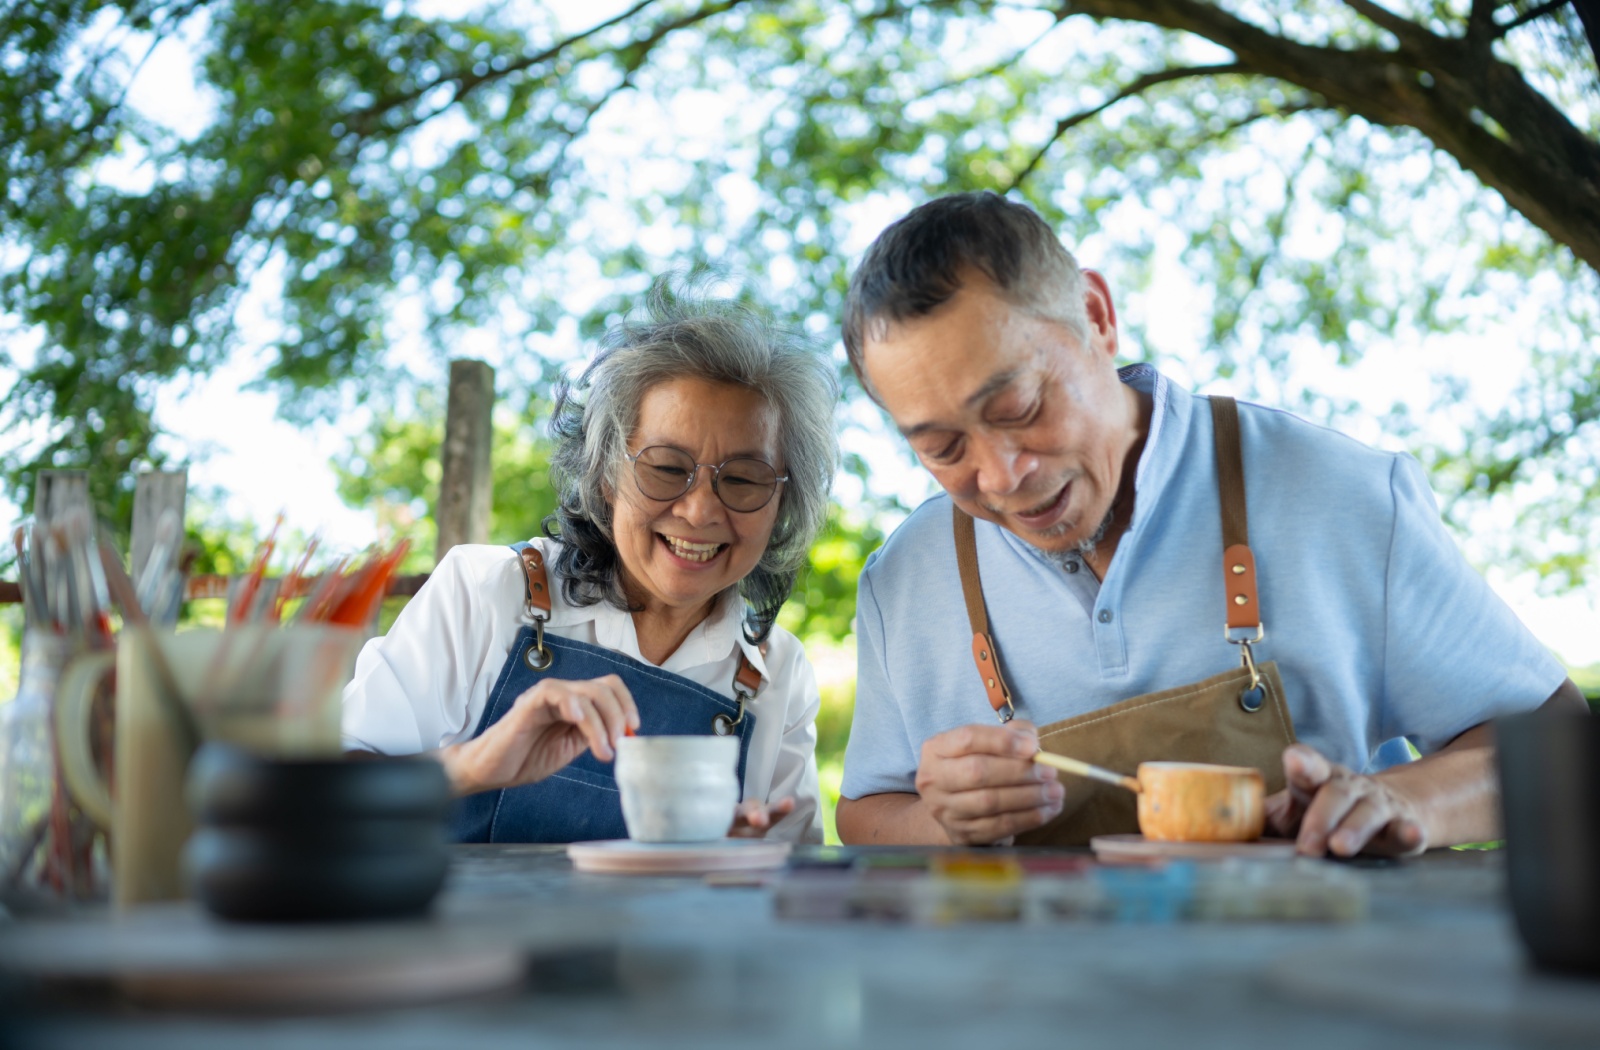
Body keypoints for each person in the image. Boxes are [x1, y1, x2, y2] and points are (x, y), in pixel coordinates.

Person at [834, 192, 1587, 855]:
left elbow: (1558, 745)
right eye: (943, 448)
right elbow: (866, 814)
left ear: (1097, 316)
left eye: (1020, 409)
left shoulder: (1340, 494)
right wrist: (943, 824)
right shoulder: (905, 578)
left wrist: (1405, 799)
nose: (1001, 476)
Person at [343, 281, 838, 843]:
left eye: (745, 479)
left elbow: (795, 889)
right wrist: (474, 764)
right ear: (605, 476)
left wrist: (747, 864)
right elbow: (317, 798)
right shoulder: (484, 591)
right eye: (666, 467)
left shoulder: (779, 674)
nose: (700, 511)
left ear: (781, 504)